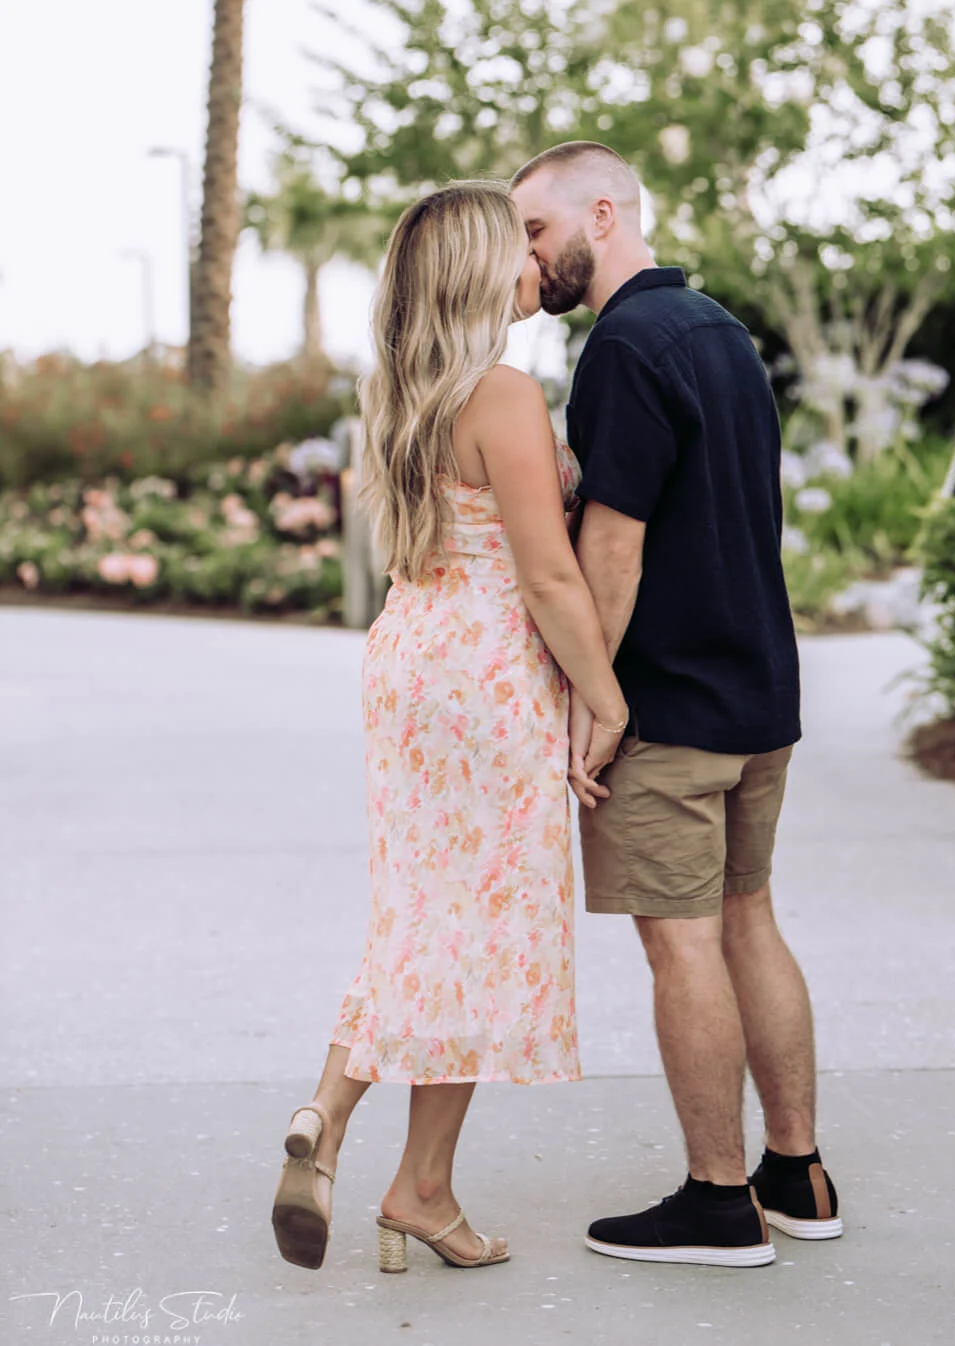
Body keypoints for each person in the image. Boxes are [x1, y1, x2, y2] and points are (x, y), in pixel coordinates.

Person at [270, 180, 630, 1273]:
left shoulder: (401, 388)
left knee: (424, 912)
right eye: (517, 245)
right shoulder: (505, 393)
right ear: (482, 270)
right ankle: (406, 1175)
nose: (535, 259)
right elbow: (551, 578)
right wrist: (604, 696)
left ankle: (355, 1137)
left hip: (409, 654)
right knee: (475, 925)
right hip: (486, 669)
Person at [507, 141, 839, 1268]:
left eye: (537, 232)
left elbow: (613, 541)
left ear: (603, 212)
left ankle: (714, 1200)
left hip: (668, 706)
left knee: (681, 946)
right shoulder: (721, 332)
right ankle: (795, 1171)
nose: (529, 258)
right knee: (749, 915)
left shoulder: (623, 347)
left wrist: (593, 697)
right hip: (759, 693)